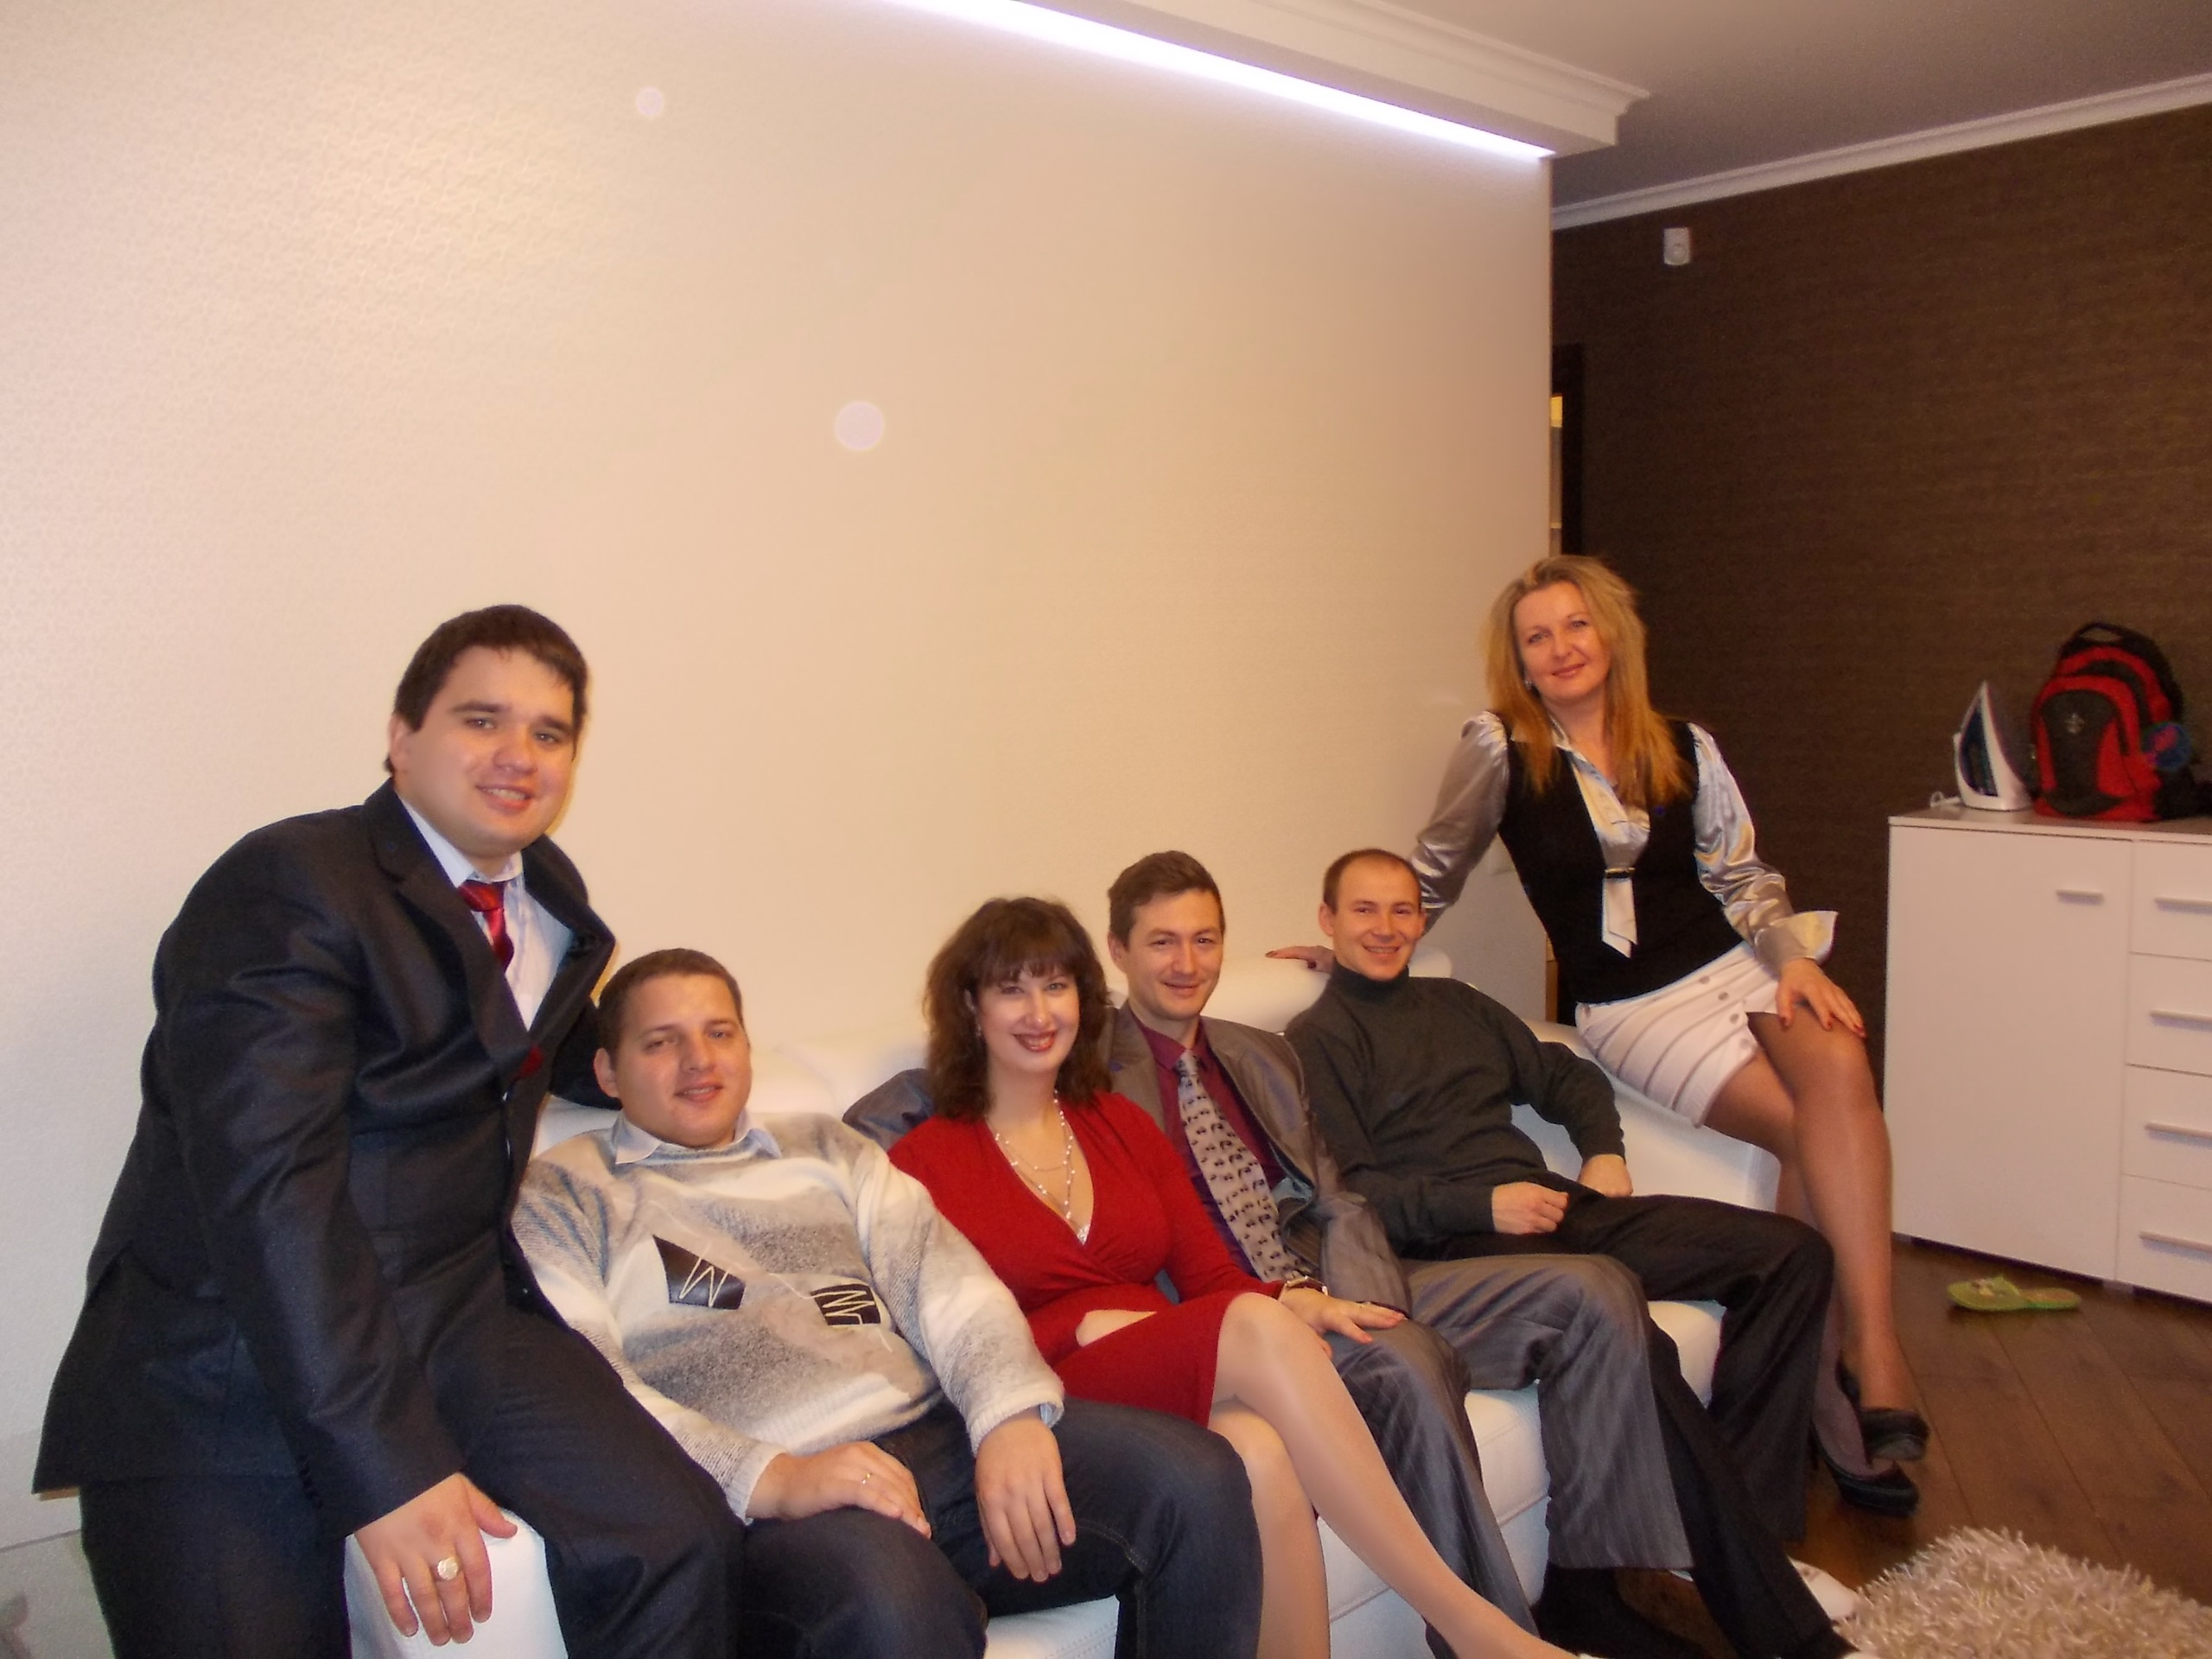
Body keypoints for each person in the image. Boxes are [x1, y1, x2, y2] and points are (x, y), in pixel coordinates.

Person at [35, 607, 743, 1659]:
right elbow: (272, 1193)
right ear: (401, 737)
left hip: (458, 1321)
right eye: (481, 720)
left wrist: (674, 1070)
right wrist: (389, 1468)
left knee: (679, 1542)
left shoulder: (547, 898)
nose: (519, 755)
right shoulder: (288, 885)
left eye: (549, 733)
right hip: (227, 1365)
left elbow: (496, 1040)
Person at [1105, 851, 1869, 1659]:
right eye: (1162, 943)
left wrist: (1373, 1292)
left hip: (1349, 1274)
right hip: (1249, 1312)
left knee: (1602, 1292)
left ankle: (1591, 1590)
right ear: (1119, 952)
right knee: (1412, 1361)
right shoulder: (1098, 1075)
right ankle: (1498, 1641)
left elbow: (1337, 1196)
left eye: (1204, 940)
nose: (1187, 963)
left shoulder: (1258, 1053)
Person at [515, 950, 1263, 1659]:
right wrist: (772, 1477)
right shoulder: (562, 1196)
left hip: (938, 1439)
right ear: (608, 1070)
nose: (698, 1061)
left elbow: (946, 1281)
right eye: (661, 1042)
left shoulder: (824, 1146)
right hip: (786, 1505)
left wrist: (1006, 1414)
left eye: (719, 1033)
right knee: (894, 1600)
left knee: (1196, 1481)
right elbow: (588, 1391)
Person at [889, 898, 1579, 1659]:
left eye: (1056, 986)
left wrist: (1297, 1299)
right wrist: (1075, 1327)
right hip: (1048, 1390)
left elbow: (1210, 1275)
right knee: (1252, 1332)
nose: (1039, 1012)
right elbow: (929, 1343)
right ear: (970, 1006)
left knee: (1259, 1454)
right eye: (1011, 989)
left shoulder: (1120, 1123)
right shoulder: (921, 1166)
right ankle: (1473, 1625)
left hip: (1156, 1358)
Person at [1410, 555, 1922, 1511]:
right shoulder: (1500, 749)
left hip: (1736, 963)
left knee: (1840, 1061)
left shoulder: (1681, 741)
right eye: (1537, 637)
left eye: (1575, 626)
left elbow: (1742, 875)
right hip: (1636, 1004)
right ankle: (1832, 1392)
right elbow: (1436, 864)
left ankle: (1871, 1347)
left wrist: (1796, 961)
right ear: (1518, 661)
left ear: (1611, 633)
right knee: (1802, 1128)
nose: (1560, 648)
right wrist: (1366, 938)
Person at [1286, 850, 1838, 1561]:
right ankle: (1725, 1550)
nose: (1385, 928)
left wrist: (1603, 1151)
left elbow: (1566, 1076)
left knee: (1792, 1255)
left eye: (1402, 911)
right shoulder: (1316, 1041)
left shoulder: (1459, 1005)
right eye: (1364, 910)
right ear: (1327, 919)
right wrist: (1482, 1207)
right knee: (1632, 1334)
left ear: (1422, 921)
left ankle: (1756, 1524)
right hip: (1467, 1246)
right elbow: (1355, 1196)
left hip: (1562, 1211)